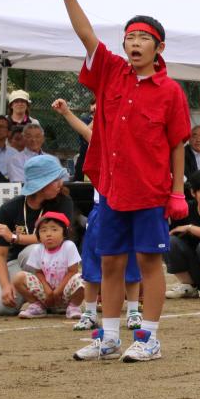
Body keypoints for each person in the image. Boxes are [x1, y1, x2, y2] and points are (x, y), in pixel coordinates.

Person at [53, 0, 191, 363]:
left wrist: (178, 191)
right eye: (129, 36)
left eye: (143, 38)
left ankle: (149, 337)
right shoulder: (111, 72)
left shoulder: (170, 92)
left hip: (149, 192)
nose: (134, 43)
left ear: (158, 48)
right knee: (110, 263)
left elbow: (177, 144)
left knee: (149, 264)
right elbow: (86, 35)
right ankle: (108, 336)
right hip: (110, 192)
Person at [51, 98, 143, 333]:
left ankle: (133, 311)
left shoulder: (137, 144)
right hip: (102, 209)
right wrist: (67, 112)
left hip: (127, 208)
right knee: (92, 264)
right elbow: (85, 130)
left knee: (131, 262)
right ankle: (90, 312)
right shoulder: (102, 142)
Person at [0, 154, 74, 315]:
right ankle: (38, 299)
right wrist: (5, 286)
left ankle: (47, 299)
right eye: (55, 179)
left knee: (34, 250)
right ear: (41, 184)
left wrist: (14, 237)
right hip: (17, 264)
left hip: (54, 265)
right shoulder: (10, 208)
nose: (60, 183)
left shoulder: (63, 202)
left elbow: (54, 239)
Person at [164, 169, 200, 297]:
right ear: (193, 192)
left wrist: (191, 228)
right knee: (169, 241)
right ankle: (188, 285)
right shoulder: (186, 209)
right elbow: (171, 234)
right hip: (195, 268)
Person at [14, 211, 83, 318]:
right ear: (39, 235)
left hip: (65, 293)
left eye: (54, 229)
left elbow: (73, 271)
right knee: (18, 278)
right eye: (43, 230)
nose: (49, 234)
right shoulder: (38, 249)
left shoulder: (69, 246)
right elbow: (38, 272)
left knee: (83, 279)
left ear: (64, 233)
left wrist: (57, 291)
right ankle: (38, 306)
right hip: (46, 295)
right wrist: (48, 290)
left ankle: (73, 306)